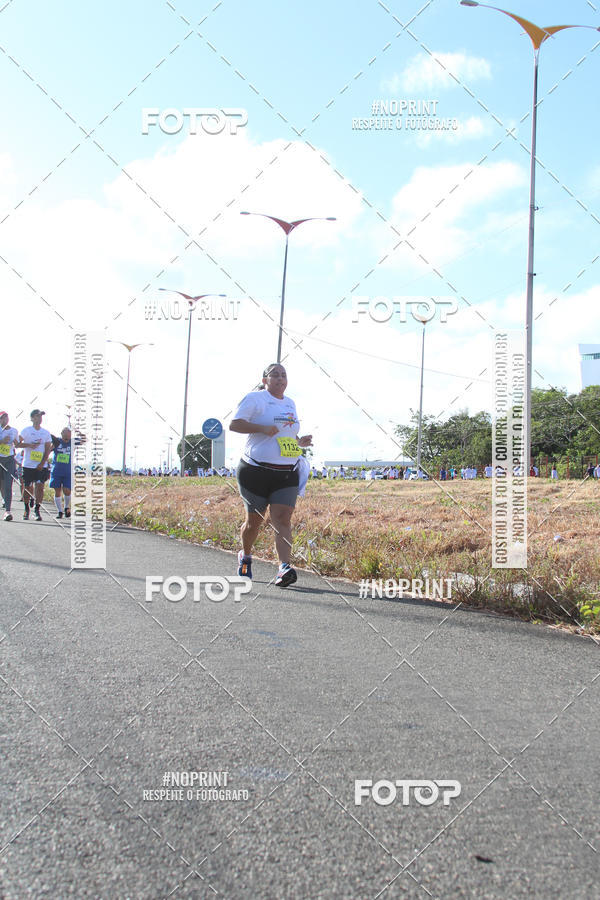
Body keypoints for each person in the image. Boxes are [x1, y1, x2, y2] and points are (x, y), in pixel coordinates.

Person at [230, 363, 312, 587]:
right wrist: (262, 428)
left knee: (283, 519)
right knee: (254, 522)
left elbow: (285, 436)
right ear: (265, 380)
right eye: (274, 375)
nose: (280, 378)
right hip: (255, 470)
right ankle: (245, 556)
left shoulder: (290, 403)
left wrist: (299, 442)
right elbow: (234, 424)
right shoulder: (255, 399)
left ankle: (284, 567)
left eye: (284, 375)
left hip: (286, 471)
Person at [18, 409, 52, 521]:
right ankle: (26, 508)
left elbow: (47, 450)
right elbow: (17, 444)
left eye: (41, 416)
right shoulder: (26, 431)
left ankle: (37, 510)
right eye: (37, 416)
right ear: (32, 418)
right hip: (28, 465)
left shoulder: (46, 433)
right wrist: (29, 445)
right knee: (27, 487)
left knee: (40, 487)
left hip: (40, 466)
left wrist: (42, 463)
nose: (40, 418)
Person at [50, 427, 73, 519]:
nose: (67, 437)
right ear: (61, 433)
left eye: (69, 434)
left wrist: (78, 431)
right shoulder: (57, 441)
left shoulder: (72, 442)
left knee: (67, 490)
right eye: (65, 434)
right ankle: (60, 511)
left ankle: (66, 506)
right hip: (57, 470)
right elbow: (49, 449)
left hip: (68, 470)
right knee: (57, 490)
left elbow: (85, 440)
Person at [0, 411, 19, 521]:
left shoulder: (13, 430)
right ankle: (4, 499)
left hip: (9, 460)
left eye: (6, 417)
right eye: (2, 418)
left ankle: (7, 511)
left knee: (8, 485)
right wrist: (2, 441)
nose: (5, 420)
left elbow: (17, 444)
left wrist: (26, 444)